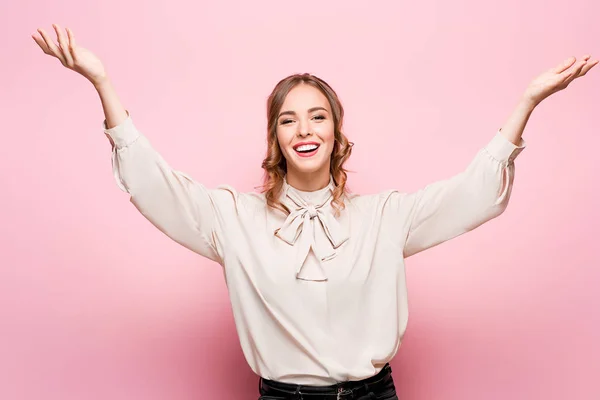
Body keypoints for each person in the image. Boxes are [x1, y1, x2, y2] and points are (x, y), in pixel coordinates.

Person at [33, 23, 597, 400]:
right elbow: (154, 184)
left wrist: (526, 103)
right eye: (288, 119)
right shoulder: (232, 218)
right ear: (275, 137)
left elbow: (475, 194)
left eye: (318, 116)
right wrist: (102, 82)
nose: (304, 129)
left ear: (336, 131)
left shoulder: (384, 216)